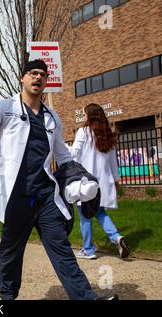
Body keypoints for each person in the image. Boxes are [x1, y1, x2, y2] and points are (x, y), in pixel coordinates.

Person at [0, 60, 118, 300]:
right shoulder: (5, 108)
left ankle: (87, 298)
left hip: (44, 196)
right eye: (33, 73)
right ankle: (8, 297)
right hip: (16, 196)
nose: (38, 78)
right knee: (11, 253)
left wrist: (81, 178)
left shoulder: (52, 117)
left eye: (43, 74)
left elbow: (63, 156)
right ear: (22, 78)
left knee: (62, 250)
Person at [67, 103, 130, 260]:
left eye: (85, 114)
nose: (84, 117)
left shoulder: (83, 132)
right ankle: (116, 237)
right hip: (103, 182)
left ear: (90, 115)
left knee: (85, 216)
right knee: (100, 212)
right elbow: (113, 162)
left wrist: (60, 145)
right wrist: (116, 181)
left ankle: (88, 249)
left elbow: (74, 153)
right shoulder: (107, 134)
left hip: (87, 182)